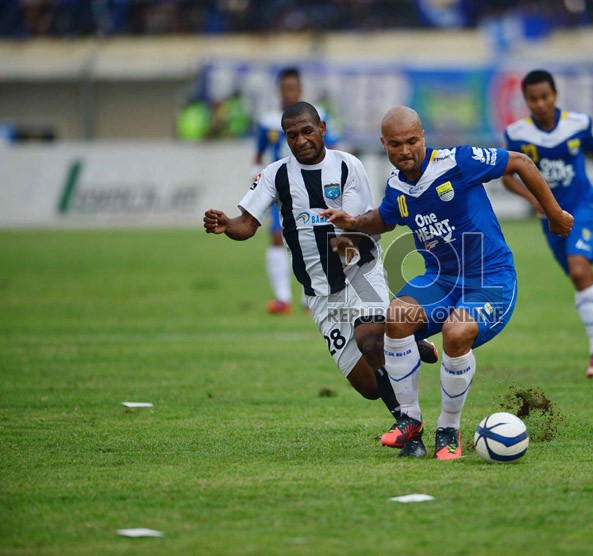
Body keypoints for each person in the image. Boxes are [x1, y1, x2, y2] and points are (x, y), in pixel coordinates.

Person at [321, 106, 574, 460]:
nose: (405, 150)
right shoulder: (397, 186)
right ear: (384, 144)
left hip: (490, 278)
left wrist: (554, 211)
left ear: (423, 137)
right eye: (396, 144)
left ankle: (449, 429)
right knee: (397, 316)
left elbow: (520, 162)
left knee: (456, 332)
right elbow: (385, 218)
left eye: (412, 141)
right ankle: (410, 419)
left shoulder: (459, 161)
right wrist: (353, 222)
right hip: (440, 278)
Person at [204, 102, 438, 435]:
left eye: (307, 131)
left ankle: (407, 425)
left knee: (370, 342)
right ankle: (407, 341)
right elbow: (247, 224)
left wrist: (348, 241)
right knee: (370, 385)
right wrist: (226, 224)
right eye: (292, 135)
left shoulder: (347, 166)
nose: (301, 141)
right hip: (319, 293)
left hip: (361, 273)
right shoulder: (275, 174)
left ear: (322, 129)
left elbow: (362, 222)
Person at [502, 69, 593, 378]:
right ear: (525, 101)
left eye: (545, 96)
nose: (540, 103)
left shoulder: (579, 124)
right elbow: (507, 176)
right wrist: (534, 200)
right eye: (533, 99)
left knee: (579, 271)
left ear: (555, 95)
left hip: (583, 206)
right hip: (551, 215)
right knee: (584, 278)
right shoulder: (517, 134)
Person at [253, 67, 339, 315]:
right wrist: (258, 183)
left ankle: (310, 297)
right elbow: (258, 155)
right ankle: (282, 298)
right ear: (279, 90)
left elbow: (331, 149)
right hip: (282, 188)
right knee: (278, 238)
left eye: (294, 88)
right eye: (285, 88)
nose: (289, 92)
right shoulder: (268, 120)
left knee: (314, 238)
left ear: (300, 89)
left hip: (313, 186)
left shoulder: (318, 116)